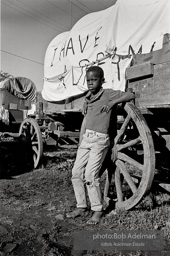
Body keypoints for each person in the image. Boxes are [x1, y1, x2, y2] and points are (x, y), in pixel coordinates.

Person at [66, 66, 135, 224]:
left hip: (100, 140)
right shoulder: (89, 95)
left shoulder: (108, 93)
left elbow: (131, 94)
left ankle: (97, 209)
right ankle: (81, 206)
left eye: (94, 80)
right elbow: (89, 97)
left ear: (102, 81)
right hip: (87, 138)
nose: (90, 83)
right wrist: (85, 101)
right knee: (76, 172)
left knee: (90, 174)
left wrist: (113, 102)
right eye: (88, 80)